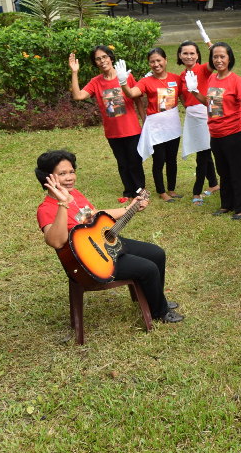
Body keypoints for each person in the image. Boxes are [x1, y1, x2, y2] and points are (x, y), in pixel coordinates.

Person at [35, 150, 183, 323]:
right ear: (48, 179)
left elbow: (94, 214)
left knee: (156, 253)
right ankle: (159, 312)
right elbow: (56, 241)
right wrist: (63, 205)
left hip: (103, 243)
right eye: (62, 174)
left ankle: (154, 298)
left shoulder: (75, 194)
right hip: (89, 263)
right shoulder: (46, 209)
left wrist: (129, 209)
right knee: (148, 268)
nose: (69, 177)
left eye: (71, 172)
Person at [185, 42, 241, 220]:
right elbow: (210, 104)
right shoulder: (212, 79)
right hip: (216, 134)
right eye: (215, 57)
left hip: (234, 133)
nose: (218, 60)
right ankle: (226, 204)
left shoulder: (236, 80)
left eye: (222, 56)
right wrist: (195, 91)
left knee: (236, 171)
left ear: (229, 58)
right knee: (223, 171)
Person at [68, 46, 145, 202]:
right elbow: (78, 95)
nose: (102, 61)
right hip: (113, 132)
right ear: (95, 63)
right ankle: (128, 191)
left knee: (134, 162)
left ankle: (140, 191)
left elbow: (137, 98)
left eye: (104, 57)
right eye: (98, 59)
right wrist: (74, 72)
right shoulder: (96, 82)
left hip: (132, 129)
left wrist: (145, 120)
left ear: (111, 58)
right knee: (122, 163)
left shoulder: (125, 76)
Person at [116, 48, 183, 202]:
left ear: (165, 60)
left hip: (172, 126)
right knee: (159, 160)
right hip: (156, 128)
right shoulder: (146, 81)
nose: (156, 64)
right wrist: (123, 82)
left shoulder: (176, 79)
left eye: (159, 60)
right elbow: (132, 94)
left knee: (172, 159)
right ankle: (162, 191)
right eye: (152, 61)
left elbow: (184, 98)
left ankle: (171, 189)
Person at [177, 39, 220, 206]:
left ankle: (196, 191)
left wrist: (211, 45)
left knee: (201, 154)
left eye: (192, 53)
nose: (188, 56)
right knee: (204, 151)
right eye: (185, 53)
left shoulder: (203, 69)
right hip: (192, 117)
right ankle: (214, 184)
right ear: (180, 56)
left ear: (198, 55)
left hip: (205, 115)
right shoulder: (181, 76)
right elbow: (182, 96)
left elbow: (214, 63)